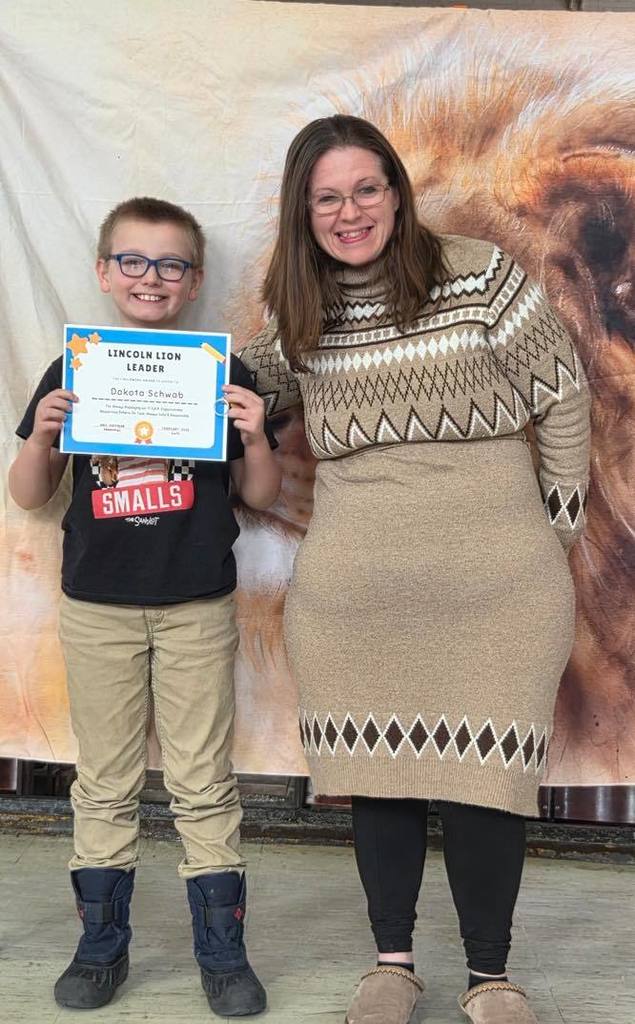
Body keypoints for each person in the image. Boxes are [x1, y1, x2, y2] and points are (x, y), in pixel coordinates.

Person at [238, 116, 590, 1024]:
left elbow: (560, 398)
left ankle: (489, 977)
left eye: (365, 188)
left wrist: (548, 537)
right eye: (326, 197)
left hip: (499, 583)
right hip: (357, 589)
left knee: (488, 780)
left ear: (395, 191)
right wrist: (139, 390)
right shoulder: (299, 310)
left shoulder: (478, 275)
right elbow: (244, 395)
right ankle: (390, 965)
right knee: (378, 775)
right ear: (302, 210)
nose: (349, 211)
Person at [9, 197, 281, 1017]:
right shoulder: (73, 370)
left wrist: (258, 434)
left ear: (194, 280)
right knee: (105, 781)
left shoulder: (224, 372)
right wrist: (39, 438)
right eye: (132, 261)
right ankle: (100, 948)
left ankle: (222, 954)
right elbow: (29, 496)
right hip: (98, 605)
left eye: (170, 264)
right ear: (104, 272)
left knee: (202, 778)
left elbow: (259, 497)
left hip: (196, 600)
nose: (151, 277)